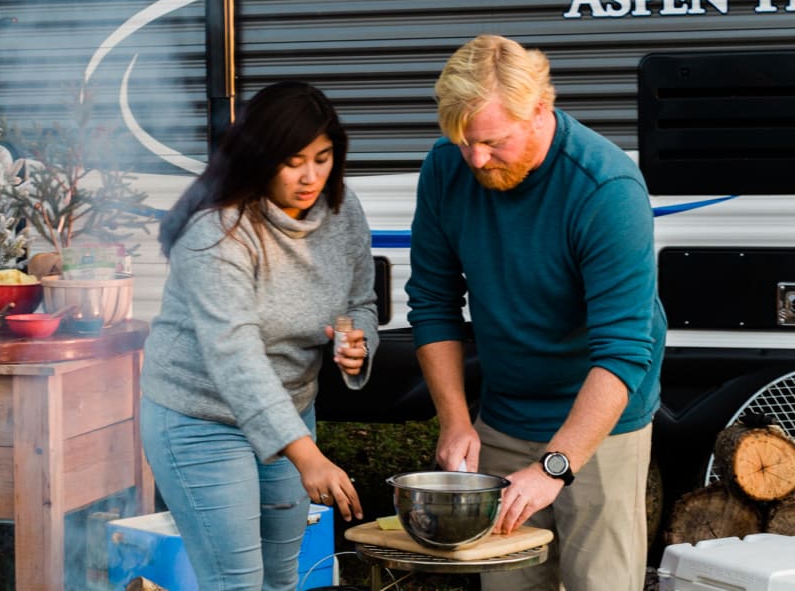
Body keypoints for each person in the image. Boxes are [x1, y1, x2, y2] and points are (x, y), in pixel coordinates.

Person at [405, 35, 666, 591]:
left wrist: (554, 468)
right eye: (463, 141)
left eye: (492, 142)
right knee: (509, 584)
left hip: (602, 426)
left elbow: (622, 351)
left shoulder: (605, 188)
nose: (475, 158)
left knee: (601, 582)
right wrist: (454, 420)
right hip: (505, 415)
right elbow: (432, 302)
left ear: (540, 111)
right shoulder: (447, 168)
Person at [139, 81, 378, 590]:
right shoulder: (217, 230)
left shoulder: (342, 210)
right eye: (294, 161)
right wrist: (307, 455)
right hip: (200, 416)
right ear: (259, 158)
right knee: (237, 582)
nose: (311, 176)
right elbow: (235, 356)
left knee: (282, 578)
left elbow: (361, 300)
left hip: (289, 408)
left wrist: (355, 343)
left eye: (323, 157)